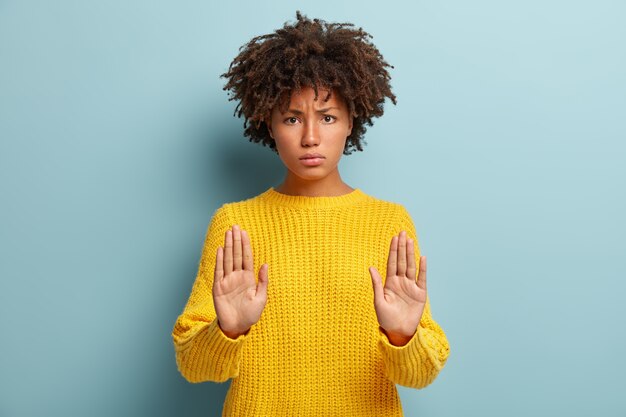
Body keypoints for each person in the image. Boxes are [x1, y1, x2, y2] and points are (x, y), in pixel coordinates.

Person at [171, 11, 450, 416]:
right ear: (268, 123)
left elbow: (421, 375)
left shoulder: (389, 222)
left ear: (352, 120)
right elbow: (194, 368)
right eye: (291, 118)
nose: (311, 137)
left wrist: (403, 334)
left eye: (328, 117)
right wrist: (229, 328)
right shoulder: (235, 224)